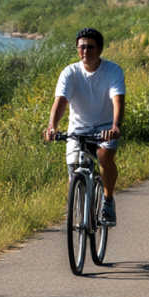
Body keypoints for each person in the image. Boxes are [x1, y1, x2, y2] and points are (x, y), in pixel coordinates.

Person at [44, 27, 126, 225]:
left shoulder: (112, 70)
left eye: (90, 47)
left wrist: (115, 126)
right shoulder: (70, 72)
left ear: (99, 49)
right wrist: (52, 127)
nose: (85, 52)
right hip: (78, 128)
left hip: (105, 127)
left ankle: (107, 201)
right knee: (74, 170)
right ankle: (78, 211)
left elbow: (118, 100)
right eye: (81, 47)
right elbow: (60, 101)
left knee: (104, 157)